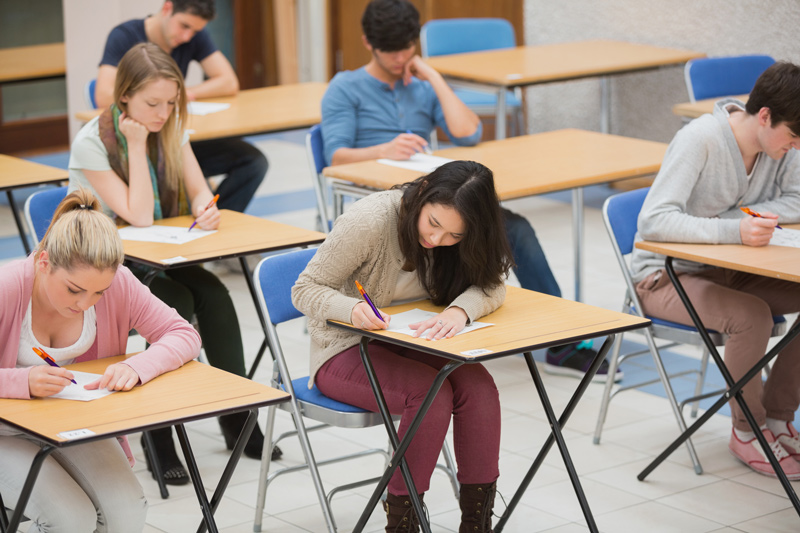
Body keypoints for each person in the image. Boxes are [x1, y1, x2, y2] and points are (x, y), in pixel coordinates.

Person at [321, 0, 617, 383]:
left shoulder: (420, 86)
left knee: (516, 229)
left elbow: (469, 132)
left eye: (407, 49)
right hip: (384, 204)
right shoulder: (345, 88)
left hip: (433, 197)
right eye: (390, 52)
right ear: (368, 44)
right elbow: (335, 157)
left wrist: (433, 76)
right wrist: (382, 150)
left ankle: (562, 345)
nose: (399, 59)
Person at [69, 42, 275, 487]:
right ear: (124, 97)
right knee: (178, 300)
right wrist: (140, 146)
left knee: (217, 297)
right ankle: (157, 435)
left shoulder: (171, 127)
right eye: (152, 104)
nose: (163, 114)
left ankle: (237, 418)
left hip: (161, 255)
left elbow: (200, 188)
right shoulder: (91, 141)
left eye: (170, 103)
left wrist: (207, 207)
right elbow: (138, 215)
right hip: (106, 268)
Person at [293, 160, 511, 532]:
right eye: (434, 225)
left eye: (453, 237)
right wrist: (352, 308)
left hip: (409, 338)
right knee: (430, 393)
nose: (437, 241)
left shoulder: (462, 231)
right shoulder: (370, 221)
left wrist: (461, 310)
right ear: (422, 192)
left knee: (478, 386)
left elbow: (493, 284)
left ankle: (477, 523)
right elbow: (304, 289)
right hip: (346, 346)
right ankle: (402, 523)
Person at [631, 61, 800, 479]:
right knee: (751, 317)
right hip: (665, 277)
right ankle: (747, 430)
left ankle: (778, 419)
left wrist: (745, 219)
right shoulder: (700, 139)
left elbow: (797, 200)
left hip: (727, 269)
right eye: (793, 136)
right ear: (764, 116)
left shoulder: (779, 146)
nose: (796, 147)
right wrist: (732, 230)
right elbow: (653, 221)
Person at [0, 188, 201, 531]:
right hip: (5, 431)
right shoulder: (8, 287)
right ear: (44, 262)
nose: (85, 304)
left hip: (70, 422)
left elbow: (183, 334)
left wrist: (136, 366)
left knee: (128, 512)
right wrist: (22, 381)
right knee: (70, 520)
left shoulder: (119, 282)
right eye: (74, 290)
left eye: (99, 293)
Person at [95, 0, 267, 214]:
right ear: (167, 8)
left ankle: (210, 217)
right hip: (137, 138)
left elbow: (229, 81)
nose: (187, 36)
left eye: (195, 31)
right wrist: (147, 100)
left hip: (172, 133)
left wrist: (181, 95)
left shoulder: (193, 35)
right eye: (184, 26)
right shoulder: (124, 36)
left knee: (253, 161)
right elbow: (102, 95)